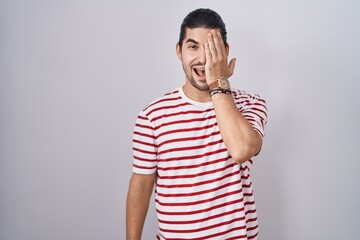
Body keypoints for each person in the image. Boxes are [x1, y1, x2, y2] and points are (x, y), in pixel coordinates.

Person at [126, 8, 268, 240]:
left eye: (212, 48)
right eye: (193, 47)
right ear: (179, 51)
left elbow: (241, 149)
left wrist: (218, 82)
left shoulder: (250, 104)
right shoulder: (151, 116)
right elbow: (141, 184)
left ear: (225, 51)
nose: (203, 58)